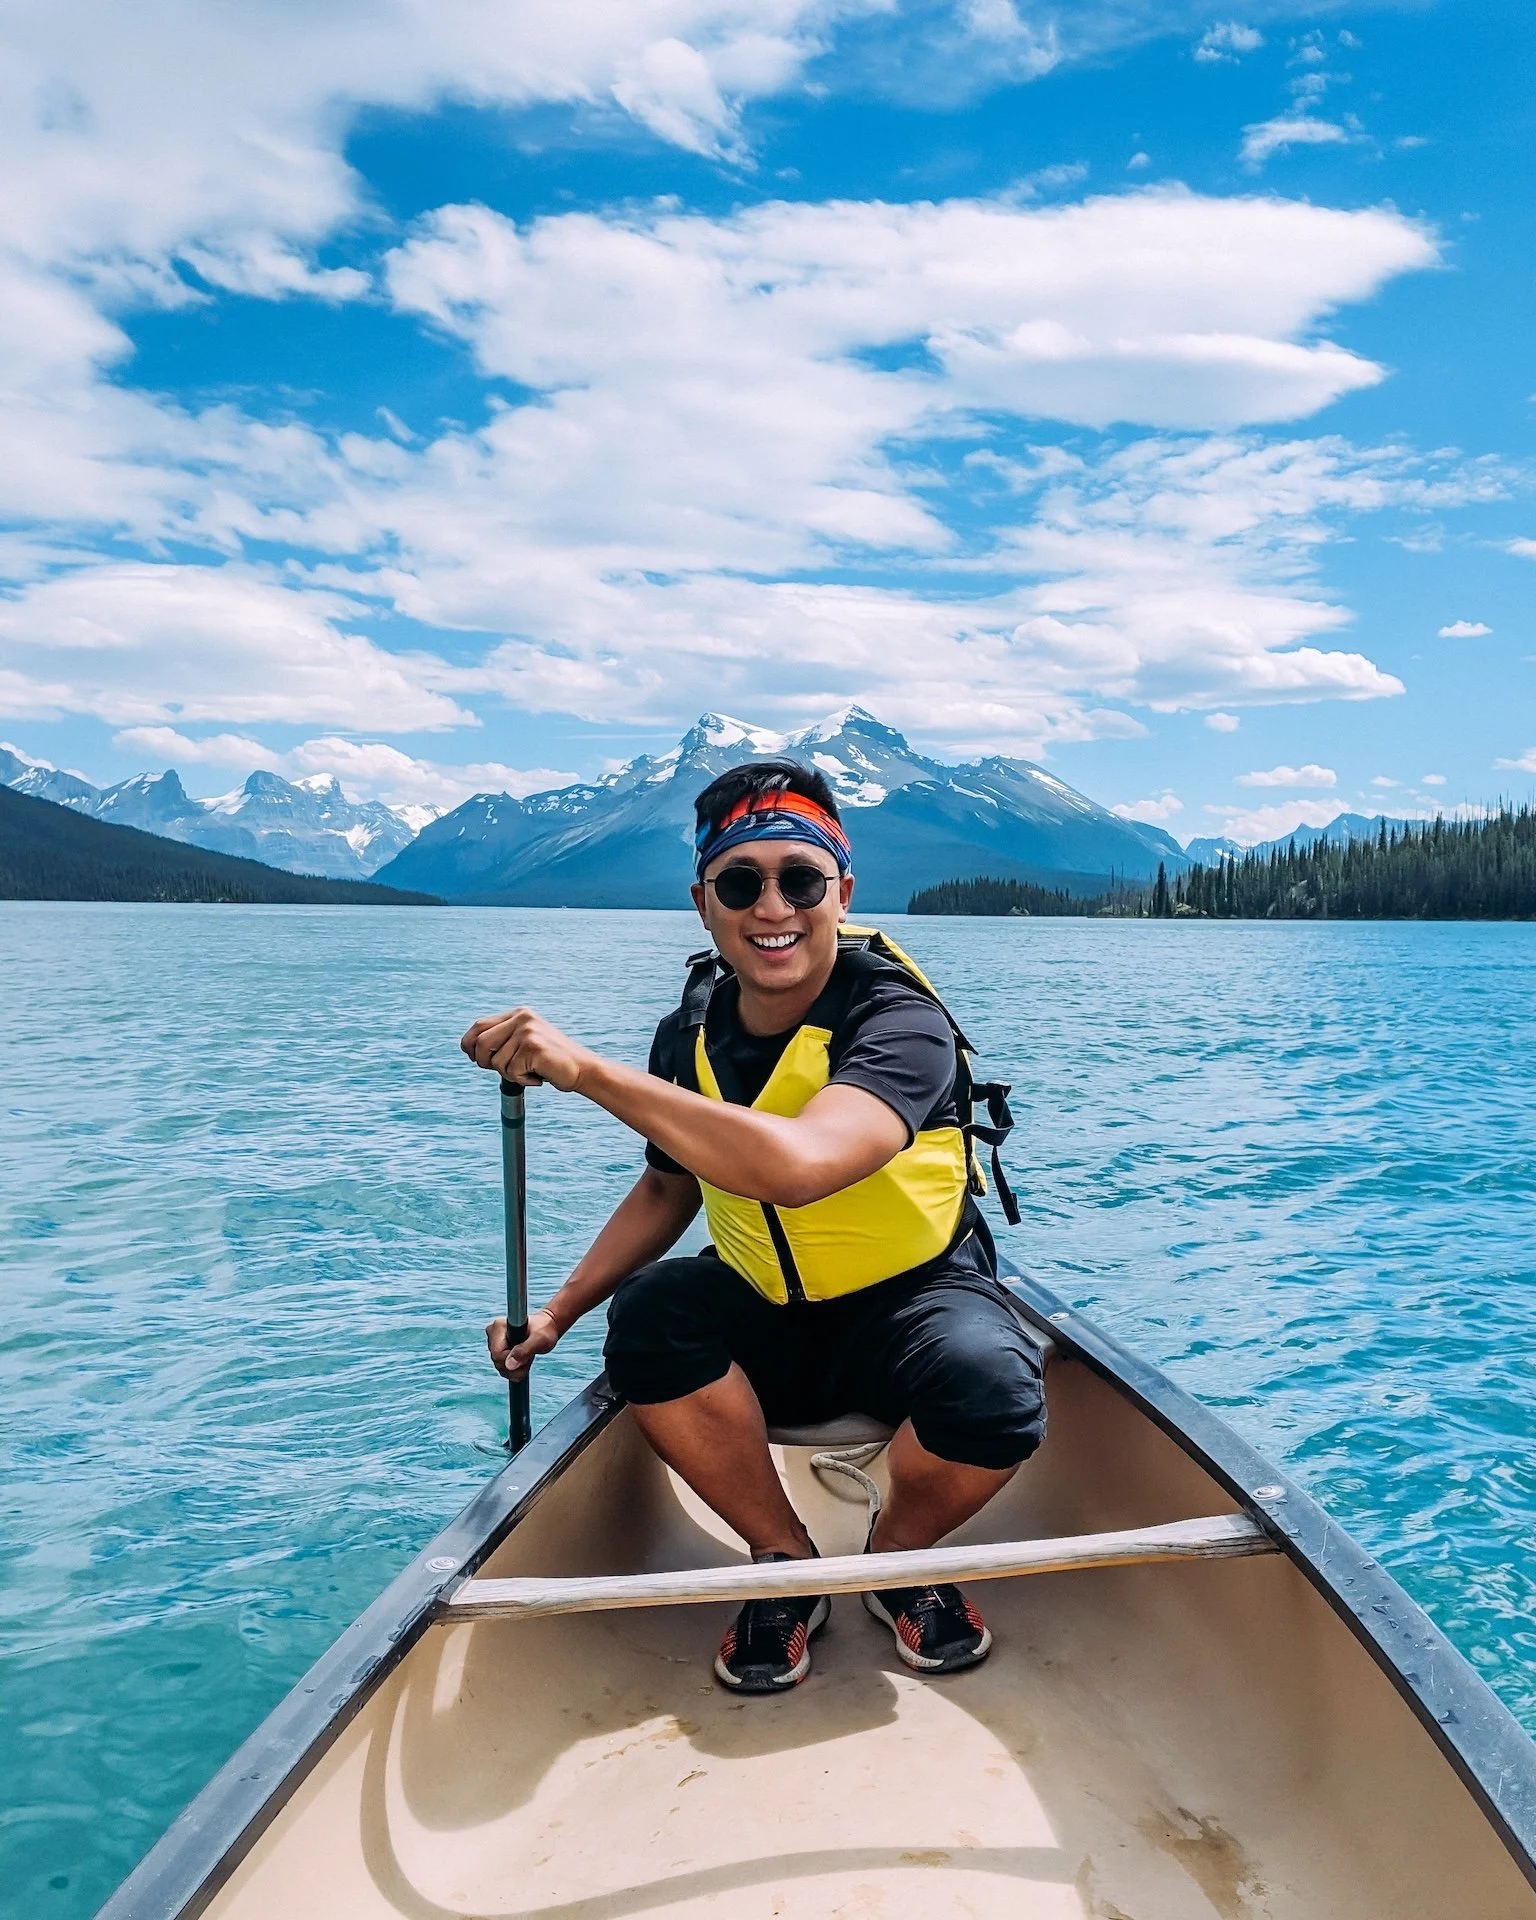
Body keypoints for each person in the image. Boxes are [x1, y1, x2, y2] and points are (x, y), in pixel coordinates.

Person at [461, 759, 1046, 1694]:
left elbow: (801, 1168)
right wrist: (559, 1315)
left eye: (799, 880)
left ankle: (896, 1562)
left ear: (841, 893)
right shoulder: (687, 1035)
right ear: (704, 904)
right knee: (652, 1317)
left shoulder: (901, 1021)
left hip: (914, 1306)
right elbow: (668, 1191)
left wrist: (586, 1072)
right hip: (766, 1305)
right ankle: (785, 1561)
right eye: (742, 883)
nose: (772, 906)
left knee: (996, 1387)